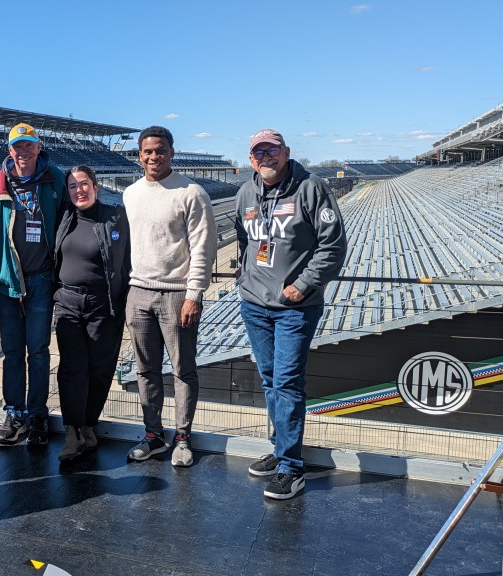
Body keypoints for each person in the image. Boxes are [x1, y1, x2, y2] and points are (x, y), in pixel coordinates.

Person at [235, 129, 347, 500]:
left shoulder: (310, 187)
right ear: (251, 159)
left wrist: (303, 284)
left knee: (286, 382)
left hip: (294, 308)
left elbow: (333, 245)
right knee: (270, 380)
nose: (264, 157)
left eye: (271, 150)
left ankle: (291, 467)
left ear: (285, 152)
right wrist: (244, 279)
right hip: (254, 304)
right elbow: (244, 239)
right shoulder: (246, 193)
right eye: (257, 152)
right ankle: (280, 447)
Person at [122, 126, 216, 468]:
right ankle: (153, 435)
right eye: (147, 151)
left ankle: (182, 438)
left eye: (160, 150)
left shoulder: (191, 192)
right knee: (145, 370)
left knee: (183, 371)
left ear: (171, 152)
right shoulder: (130, 193)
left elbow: (203, 249)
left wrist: (194, 295)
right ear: (139, 155)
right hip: (139, 293)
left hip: (177, 296)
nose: (153, 157)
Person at [0, 122, 66, 447]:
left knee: (39, 352)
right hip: (7, 282)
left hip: (42, 277)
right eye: (18, 146)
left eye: (29, 145)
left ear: (39, 147)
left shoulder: (54, 178)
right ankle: (14, 414)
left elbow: (66, 221)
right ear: (9, 150)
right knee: (12, 352)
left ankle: (37, 415)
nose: (24, 152)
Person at [53, 166, 130, 461]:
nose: (78, 191)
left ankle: (88, 425)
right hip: (68, 302)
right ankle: (72, 431)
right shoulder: (64, 217)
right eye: (72, 186)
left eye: (83, 184)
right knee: (73, 370)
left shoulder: (115, 216)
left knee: (100, 369)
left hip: (104, 304)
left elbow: (127, 260)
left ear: (96, 187)